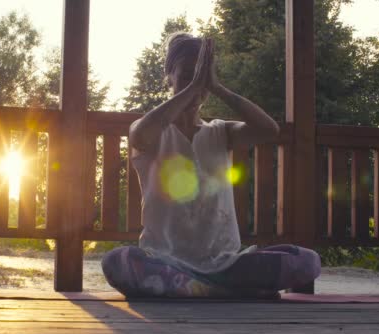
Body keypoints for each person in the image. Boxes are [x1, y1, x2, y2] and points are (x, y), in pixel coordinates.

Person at [101, 33, 321, 298]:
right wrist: (192, 87)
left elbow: (268, 129)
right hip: (167, 261)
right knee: (117, 262)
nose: (195, 85)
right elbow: (140, 136)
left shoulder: (220, 132)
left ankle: (201, 288)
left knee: (306, 261)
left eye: (201, 78)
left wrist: (217, 87)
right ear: (169, 77)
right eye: (185, 76)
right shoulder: (151, 130)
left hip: (223, 264)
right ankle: (221, 291)